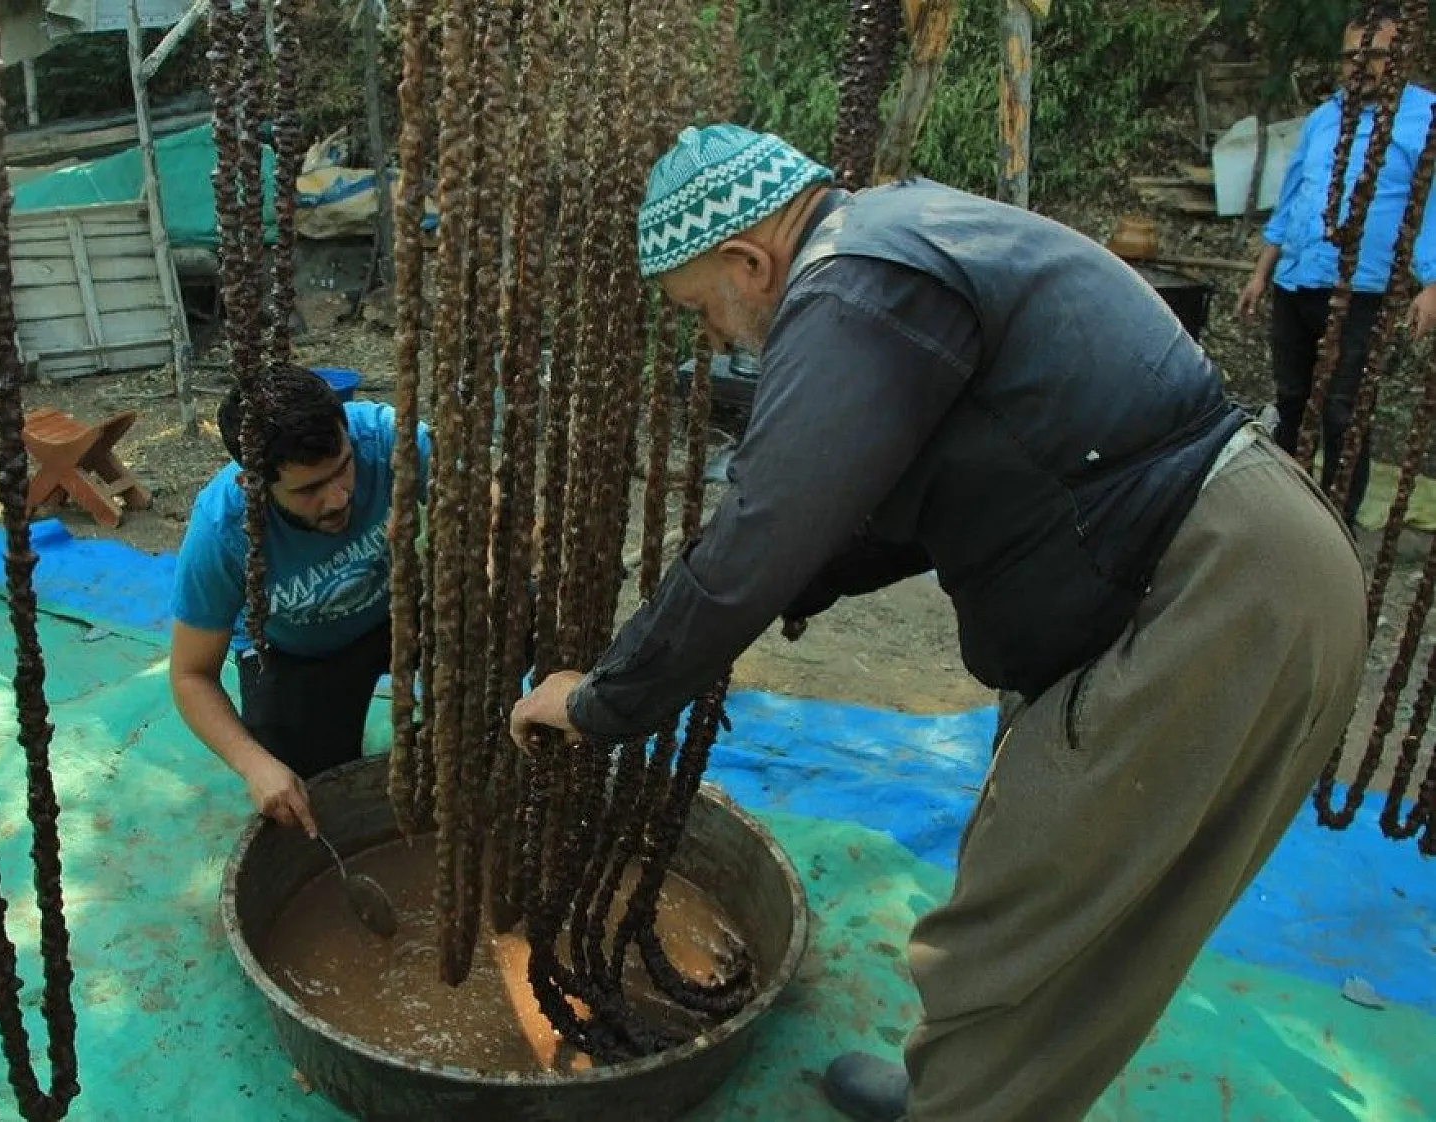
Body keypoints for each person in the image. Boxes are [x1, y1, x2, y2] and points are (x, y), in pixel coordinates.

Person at [509, 123, 1369, 1122]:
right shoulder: (887, 248)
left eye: (701, 311)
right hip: (1204, 580)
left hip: (1214, 593)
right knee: (1033, 891)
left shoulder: (846, 283)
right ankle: (952, 1096)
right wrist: (794, 589)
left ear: (748, 261)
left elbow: (767, 523)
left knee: (1029, 922)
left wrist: (608, 697)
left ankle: (960, 1107)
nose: (712, 341)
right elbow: (888, 497)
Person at [170, 362, 429, 837]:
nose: (337, 498)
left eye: (343, 468)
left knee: (516, 609)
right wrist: (253, 765)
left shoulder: (386, 438)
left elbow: (486, 489)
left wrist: (487, 542)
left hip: (399, 611)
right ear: (254, 486)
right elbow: (190, 675)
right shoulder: (221, 532)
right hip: (295, 654)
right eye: (308, 489)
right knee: (310, 800)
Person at [1237, 7, 1436, 532]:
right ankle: (1283, 510)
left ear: (1402, 55)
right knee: (1292, 400)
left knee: (1345, 412)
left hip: (1363, 292)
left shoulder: (1426, 118)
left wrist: (1432, 284)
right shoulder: (1326, 117)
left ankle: (1334, 524)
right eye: (1352, 55)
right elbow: (1293, 197)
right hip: (1296, 281)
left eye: (1374, 54)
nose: (1360, 65)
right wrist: (1262, 271)